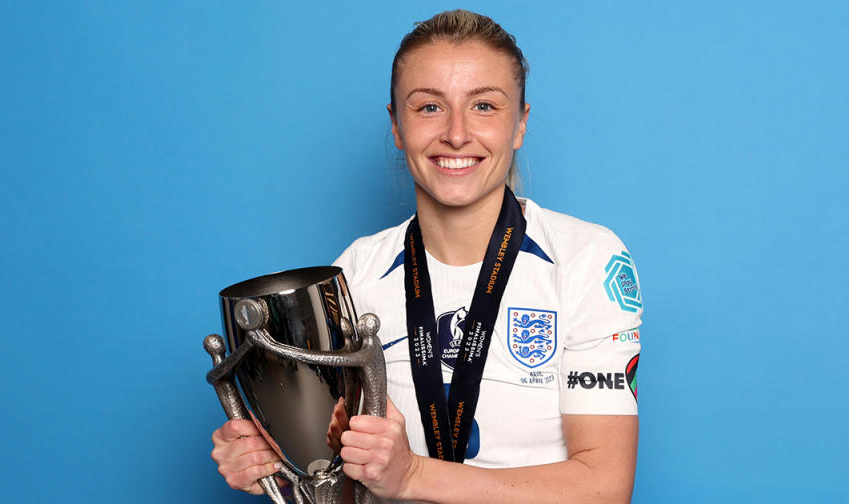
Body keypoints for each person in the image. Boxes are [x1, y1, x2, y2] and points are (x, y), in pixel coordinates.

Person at [211, 9, 643, 503]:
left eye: (484, 106)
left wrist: (414, 475)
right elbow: (339, 473)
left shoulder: (586, 260)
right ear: (396, 125)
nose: (456, 134)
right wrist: (280, 461)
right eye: (429, 108)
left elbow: (605, 487)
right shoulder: (354, 272)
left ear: (519, 125)